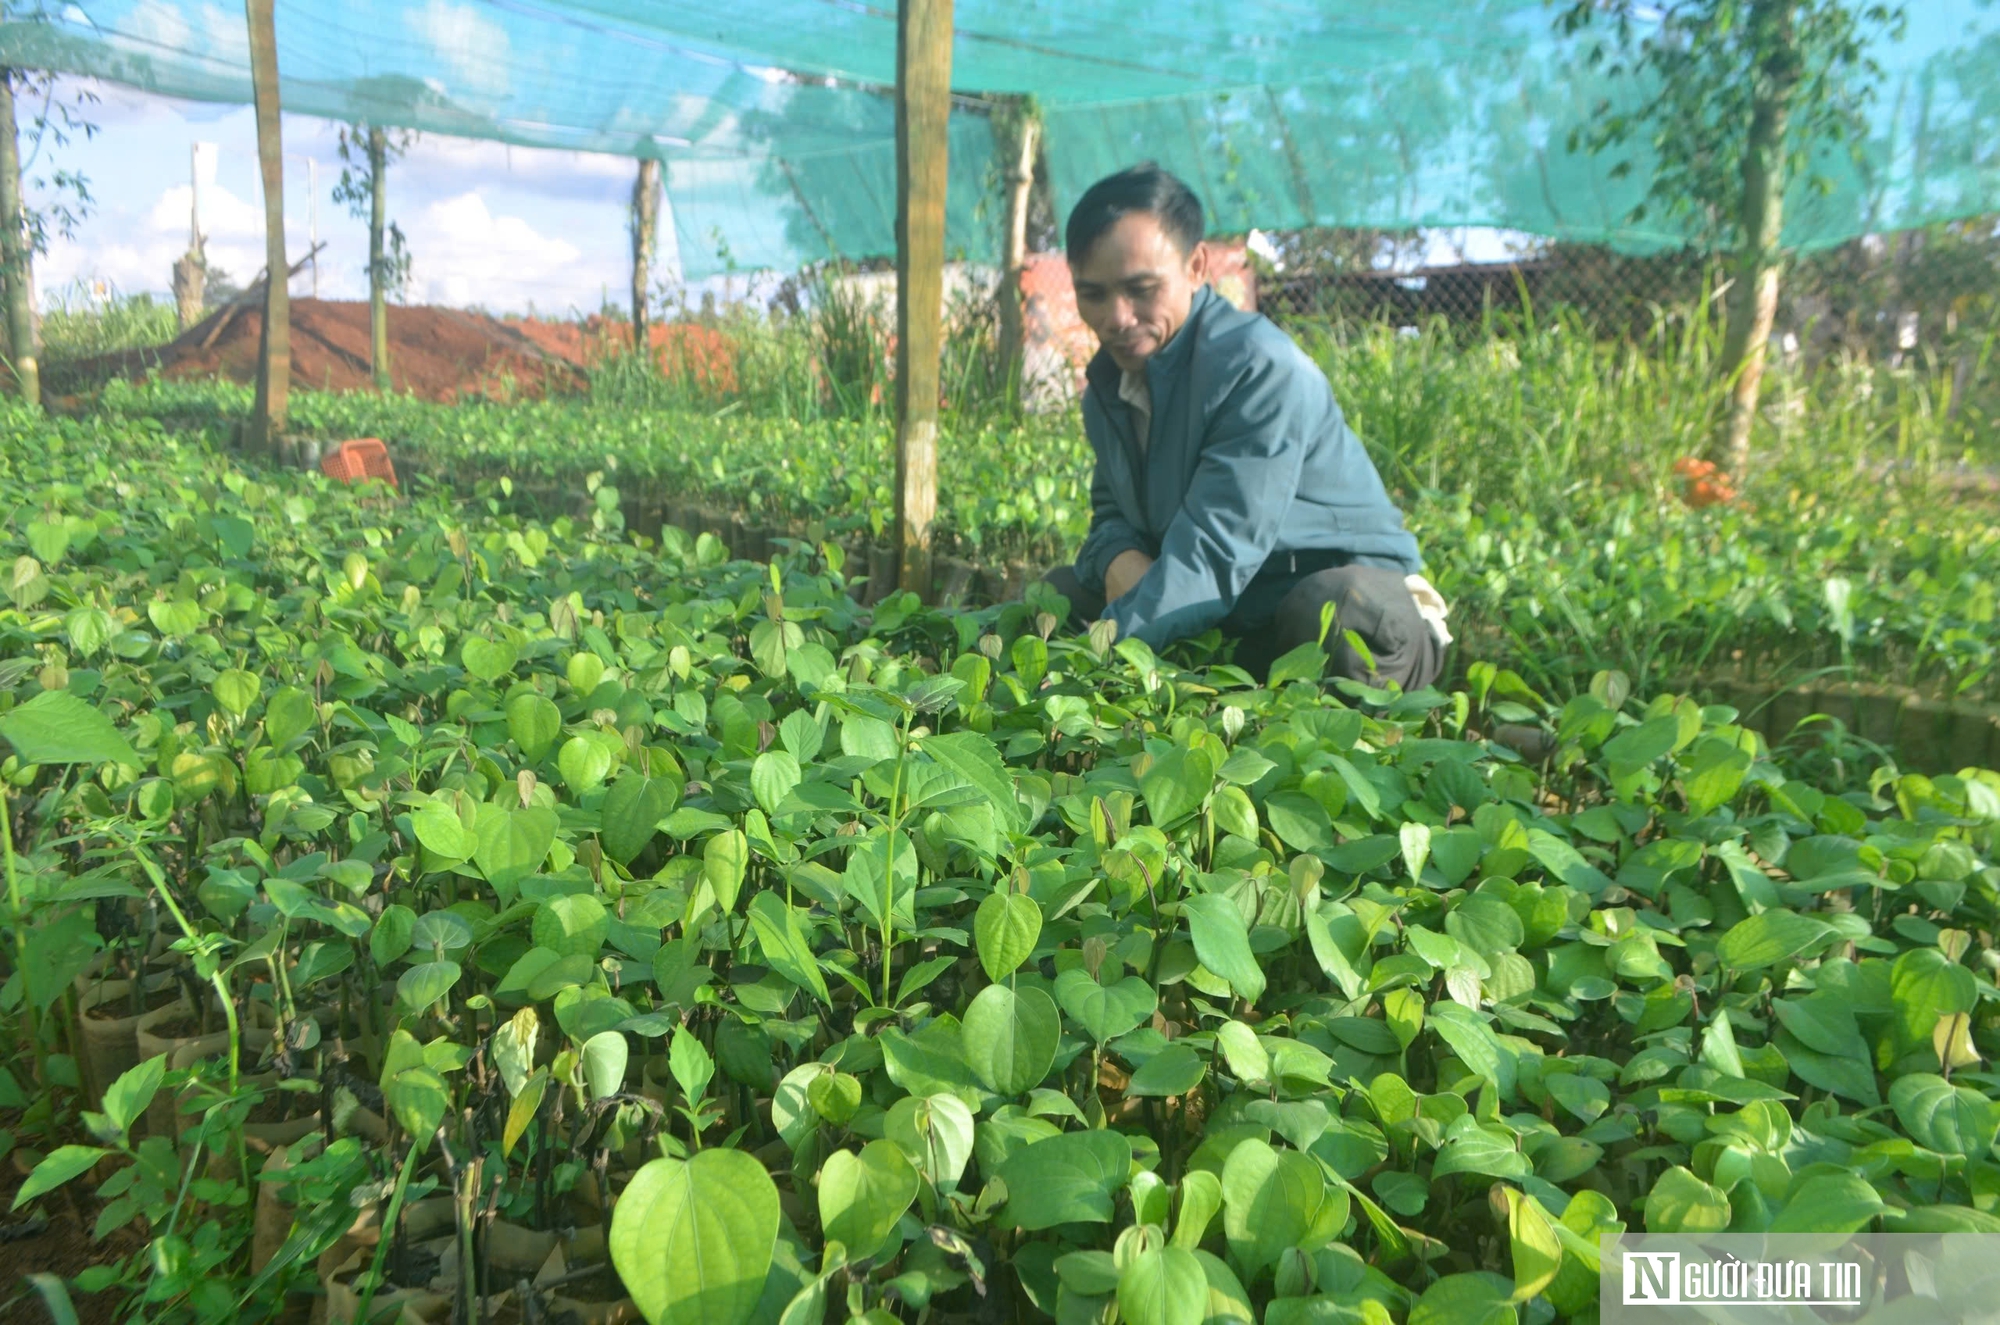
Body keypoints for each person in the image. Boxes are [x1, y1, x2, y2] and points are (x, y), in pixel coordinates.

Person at [1043, 165, 1451, 691]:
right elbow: (1111, 513)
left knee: (1334, 615)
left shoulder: (1256, 368)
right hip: (1234, 609)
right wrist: (1120, 560)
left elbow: (1211, 556)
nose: (1117, 318)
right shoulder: (1111, 383)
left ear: (1196, 266)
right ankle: (1223, 684)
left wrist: (1085, 670)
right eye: (1094, 294)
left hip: (1346, 602)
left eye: (1141, 289)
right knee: (1057, 594)